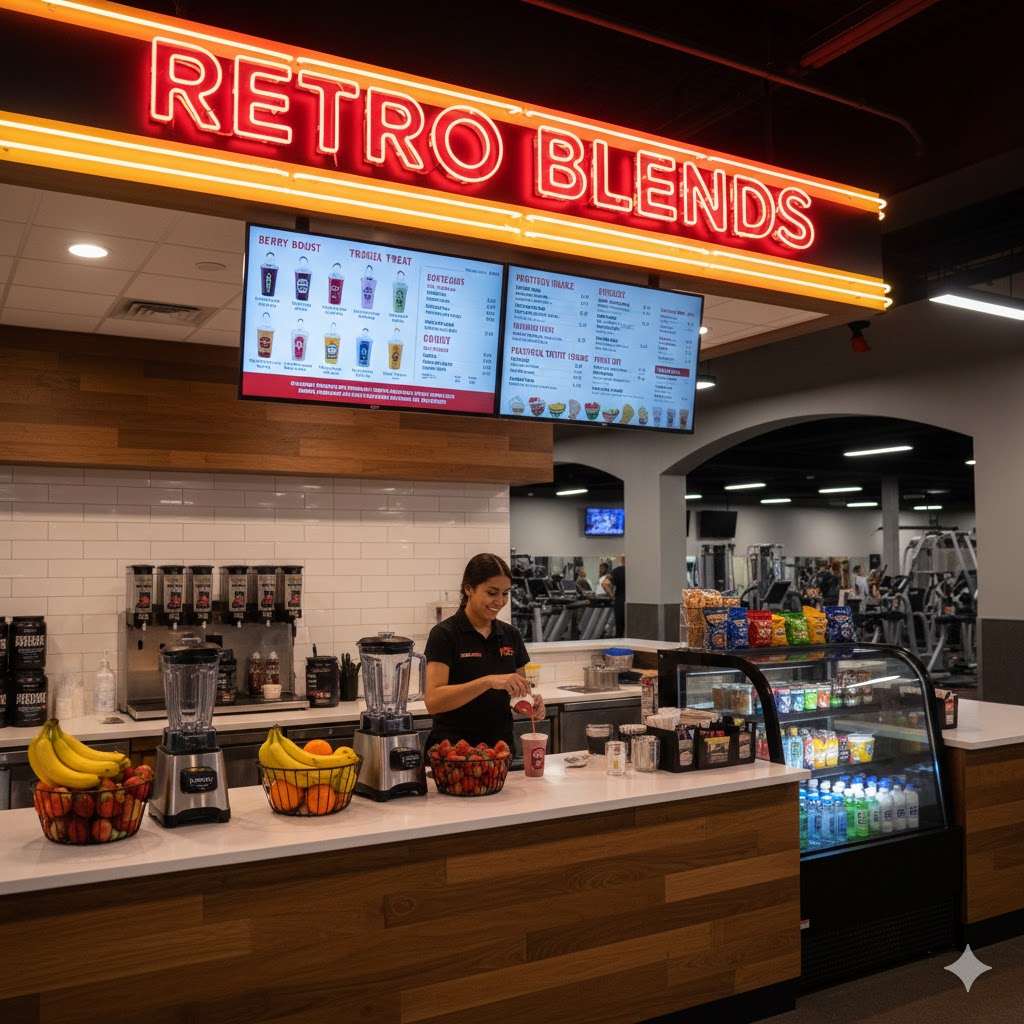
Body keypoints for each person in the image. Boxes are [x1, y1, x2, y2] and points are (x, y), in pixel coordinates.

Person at [423, 553, 545, 751]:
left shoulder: (510, 635)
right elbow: (434, 701)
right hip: (455, 755)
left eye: (505, 593)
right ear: (468, 588)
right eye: (492, 592)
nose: (499, 601)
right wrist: (488, 681)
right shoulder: (445, 634)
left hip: (500, 752)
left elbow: (518, 695)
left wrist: (530, 704)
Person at [610, 554, 626, 637]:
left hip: (620, 601)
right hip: (635, 603)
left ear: (622, 560)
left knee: (620, 629)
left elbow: (605, 583)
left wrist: (611, 596)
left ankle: (619, 646)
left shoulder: (617, 570)